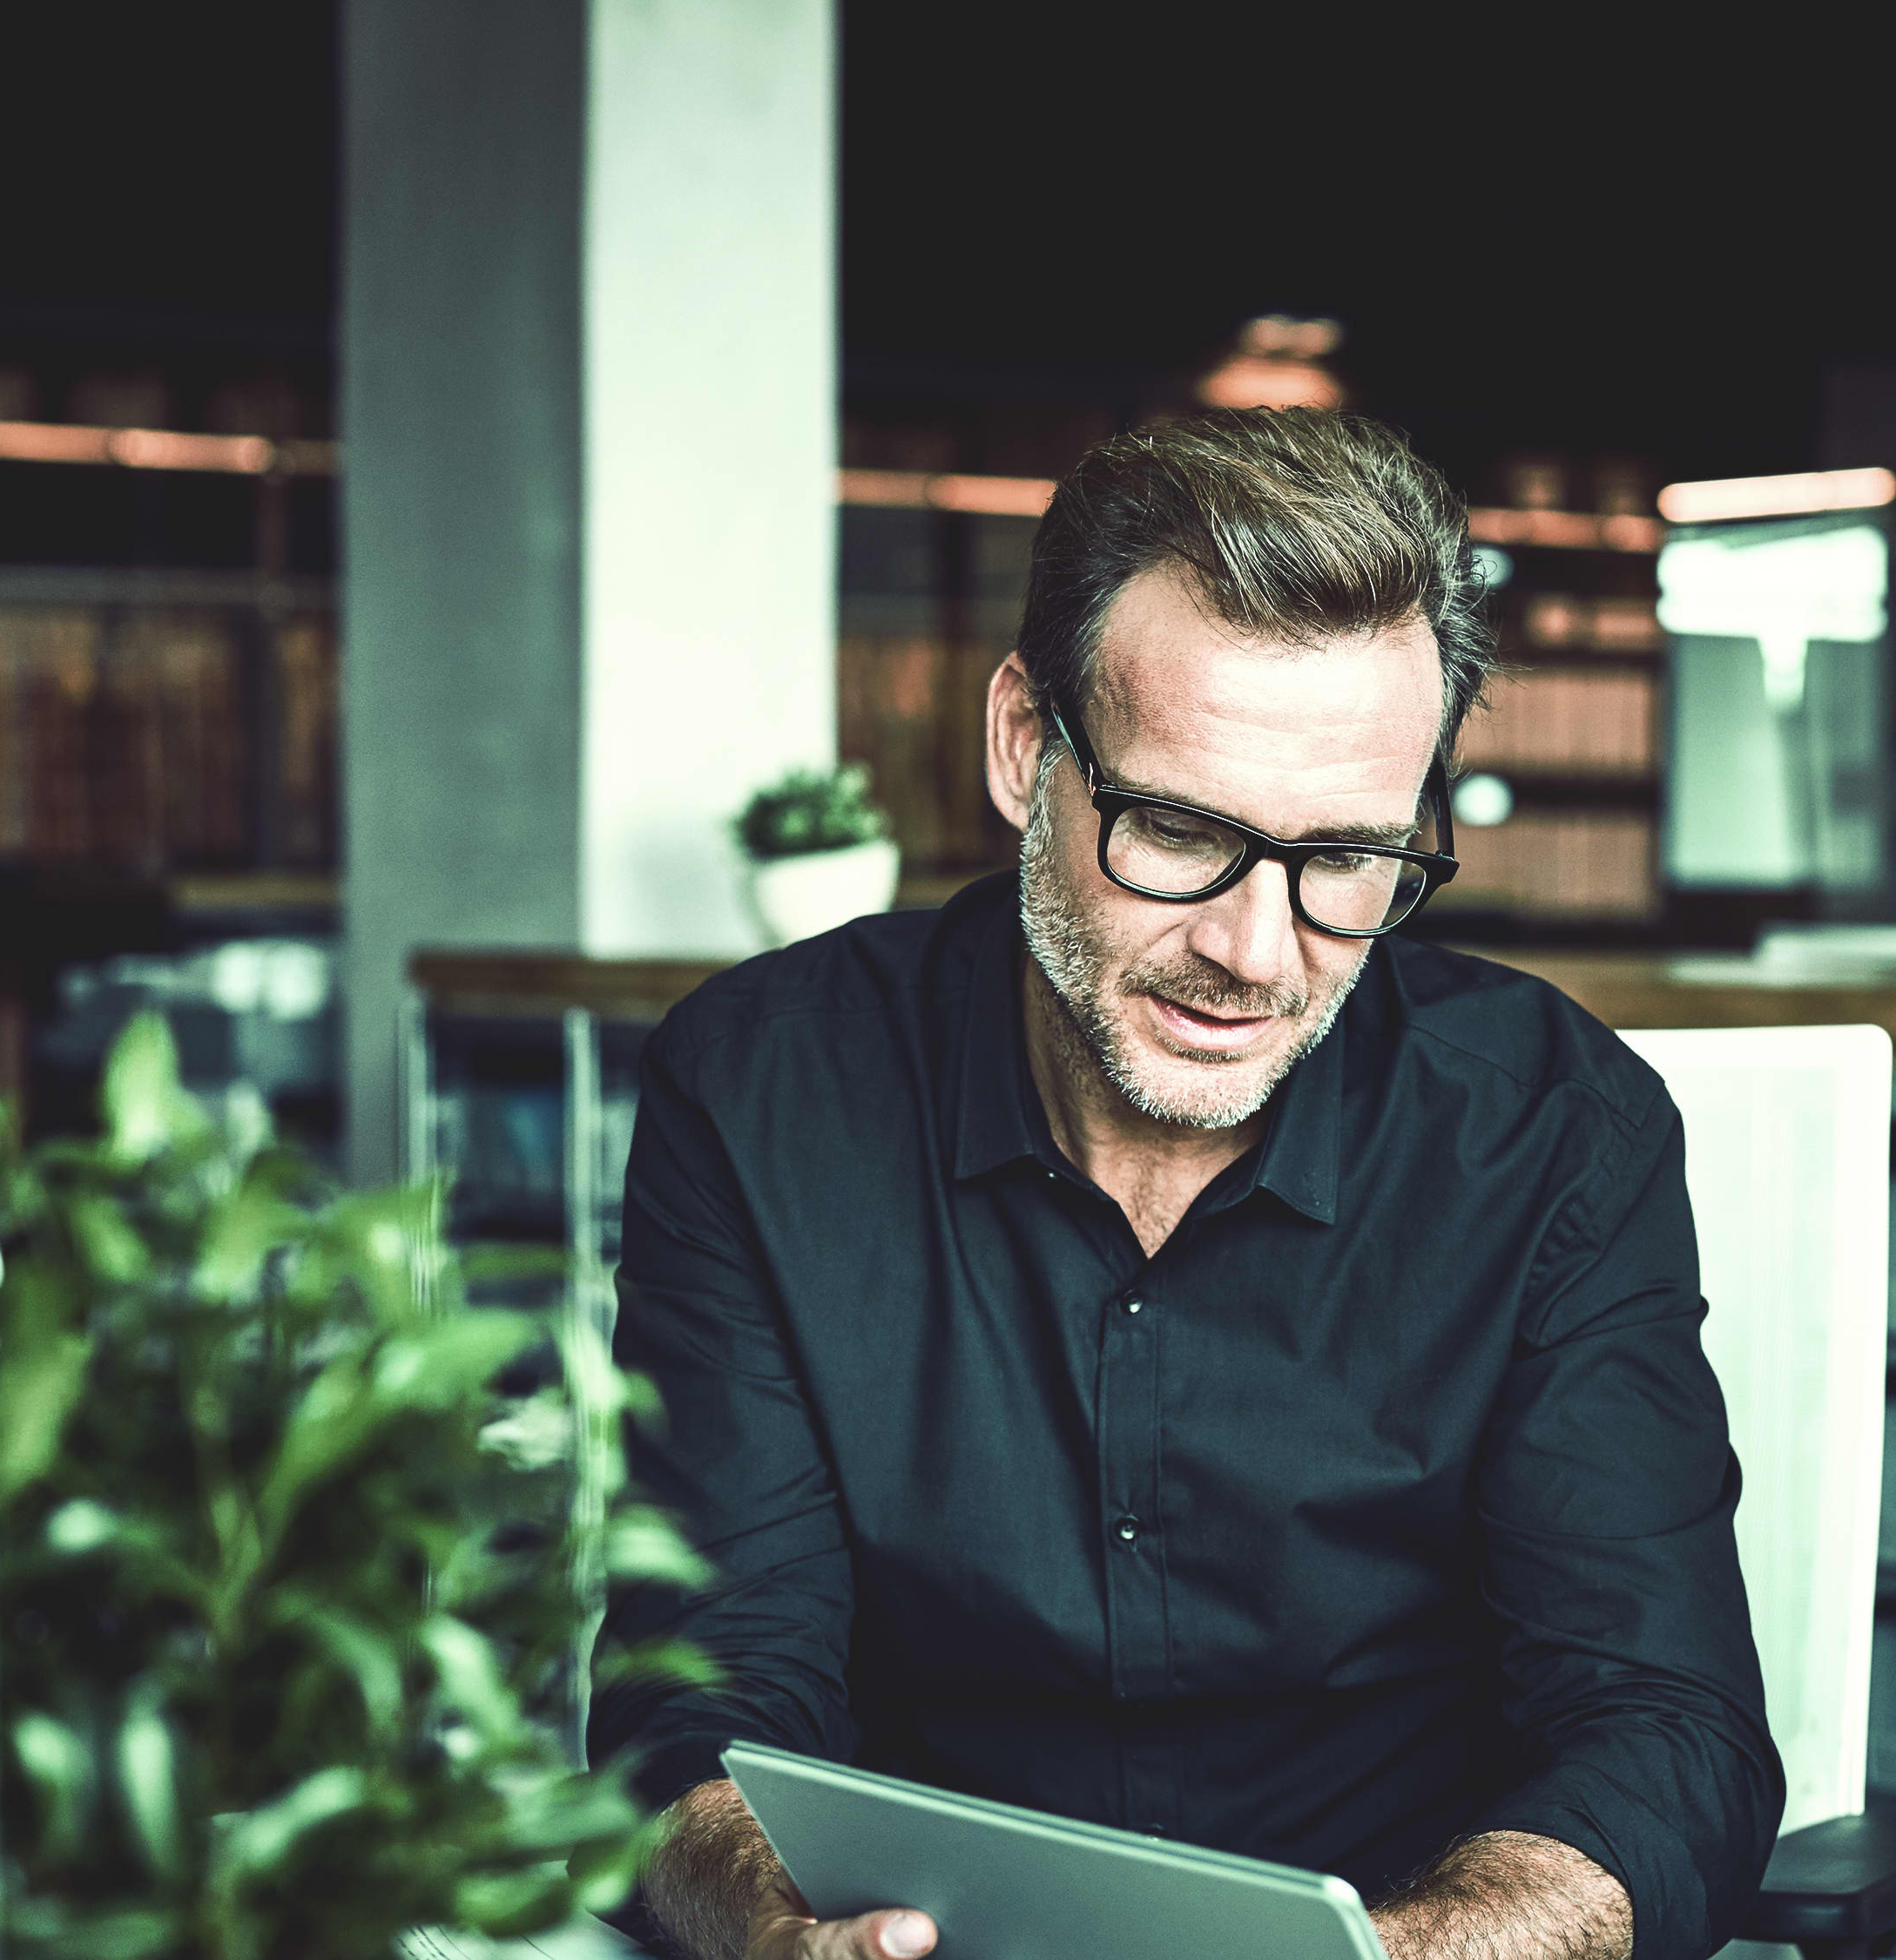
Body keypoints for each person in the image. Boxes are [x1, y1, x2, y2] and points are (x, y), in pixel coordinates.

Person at [591, 408, 1782, 1960]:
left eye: (1350, 856)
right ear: (1028, 745)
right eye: (1178, 831)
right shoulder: (762, 1090)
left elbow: (1662, 1730)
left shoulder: (1556, 1133)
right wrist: (774, 1928)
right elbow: (701, 1691)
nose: (1256, 952)